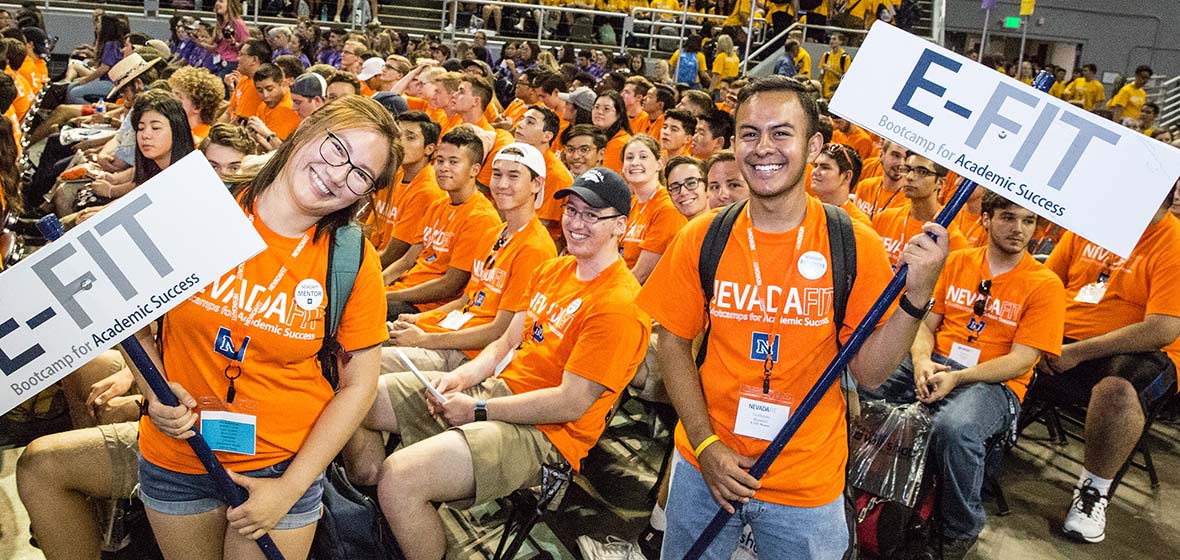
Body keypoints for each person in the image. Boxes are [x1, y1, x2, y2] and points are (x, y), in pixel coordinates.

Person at [637, 75, 949, 559]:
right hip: (705, 471)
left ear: (814, 144)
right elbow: (673, 343)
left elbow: (868, 372)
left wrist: (916, 296)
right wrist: (704, 445)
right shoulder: (703, 237)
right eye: (749, 133)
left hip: (806, 485)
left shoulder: (853, 242)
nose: (764, 148)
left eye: (782, 132)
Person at [133, 95, 398, 560]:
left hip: (283, 466)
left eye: (360, 174)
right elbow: (127, 315)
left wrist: (290, 490)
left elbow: (359, 384)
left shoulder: (351, 257)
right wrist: (153, 389)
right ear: (308, 129)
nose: (337, 174)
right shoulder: (200, 207)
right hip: (176, 456)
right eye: (337, 149)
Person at [365, 166, 650, 560]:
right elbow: (504, 343)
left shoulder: (618, 304)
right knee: (359, 395)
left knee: (401, 478)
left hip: (548, 435)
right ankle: (374, 512)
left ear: (620, 225)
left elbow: (571, 402)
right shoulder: (554, 270)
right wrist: (462, 377)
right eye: (572, 211)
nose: (576, 223)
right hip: (500, 393)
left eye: (591, 215)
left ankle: (398, 508)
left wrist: (478, 409)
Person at [861, 191, 1066, 559]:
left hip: (995, 382)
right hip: (936, 360)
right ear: (985, 219)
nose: (1019, 229)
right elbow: (925, 324)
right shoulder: (956, 262)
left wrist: (959, 377)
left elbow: (1021, 361)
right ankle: (855, 490)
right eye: (1008, 217)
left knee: (955, 428)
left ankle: (960, 528)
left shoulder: (1045, 284)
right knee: (864, 384)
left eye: (1028, 221)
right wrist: (922, 361)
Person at [1026, 187, 1180, 544]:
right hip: (1067, 336)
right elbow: (1046, 282)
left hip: (1139, 351)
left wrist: (1079, 353)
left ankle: (1093, 494)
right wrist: (1040, 335)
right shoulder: (1092, 224)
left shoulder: (1172, 243)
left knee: (1117, 391)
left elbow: (1161, 329)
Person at [384, 127, 502, 318]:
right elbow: (407, 260)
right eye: (440, 161)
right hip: (401, 291)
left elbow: (450, 285)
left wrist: (388, 296)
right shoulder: (438, 205)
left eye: (453, 162)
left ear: (475, 170)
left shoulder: (481, 217)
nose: (443, 167)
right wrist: (378, 283)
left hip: (426, 307)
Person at [368, 111, 446, 267]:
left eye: (410, 137)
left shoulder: (427, 191)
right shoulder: (394, 174)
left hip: (388, 271)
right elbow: (370, 229)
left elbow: (393, 256)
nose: (400, 142)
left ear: (429, 149)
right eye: (398, 136)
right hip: (371, 257)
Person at [872, 153, 970, 268]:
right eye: (907, 169)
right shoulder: (883, 218)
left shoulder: (953, 241)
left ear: (940, 183)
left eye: (922, 172)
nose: (910, 176)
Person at [621, 135, 688, 283]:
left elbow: (642, 274)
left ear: (659, 164)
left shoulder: (667, 208)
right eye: (629, 158)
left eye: (643, 157)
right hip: (625, 284)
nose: (635, 163)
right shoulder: (630, 203)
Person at [514, 104, 574, 241]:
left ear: (547, 136)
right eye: (522, 119)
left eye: (530, 122)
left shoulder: (554, 175)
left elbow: (542, 225)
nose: (520, 124)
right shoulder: (519, 161)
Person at [810, 143, 871, 224]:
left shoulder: (858, 223)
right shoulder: (803, 208)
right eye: (815, 166)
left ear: (847, 176)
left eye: (825, 167)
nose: (814, 172)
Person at [246, 63, 302, 150]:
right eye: (260, 90)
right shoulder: (264, 104)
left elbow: (280, 152)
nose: (265, 95)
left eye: (269, 89)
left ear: (282, 84)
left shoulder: (289, 107)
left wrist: (265, 133)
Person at [853, 140, 909, 220]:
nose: (901, 164)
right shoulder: (865, 186)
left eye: (906, 158)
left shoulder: (910, 199)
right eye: (896, 155)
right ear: (881, 155)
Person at [168, 66, 225, 144]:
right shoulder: (176, 130)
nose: (170, 99)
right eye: (172, 94)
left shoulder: (204, 143)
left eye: (179, 96)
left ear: (197, 107)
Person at [224, 39, 271, 123]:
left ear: (254, 60)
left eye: (241, 54)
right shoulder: (244, 79)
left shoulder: (259, 88)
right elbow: (228, 113)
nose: (237, 58)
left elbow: (240, 122)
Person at [592, 89, 633, 176]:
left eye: (606, 109)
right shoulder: (596, 137)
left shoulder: (621, 143)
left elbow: (605, 178)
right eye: (596, 107)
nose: (599, 112)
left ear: (618, 114)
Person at [213, 0, 249, 77]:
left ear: (230, 5)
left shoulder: (238, 23)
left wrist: (233, 43)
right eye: (217, 1)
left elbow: (246, 46)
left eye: (221, 1)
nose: (217, 3)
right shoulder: (221, 23)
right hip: (220, 62)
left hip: (231, 64)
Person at [666, 155, 708, 220]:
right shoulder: (684, 229)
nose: (683, 192)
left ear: (707, 186)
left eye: (691, 183)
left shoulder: (726, 226)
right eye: (675, 187)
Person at [819, 32, 850, 100]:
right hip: (824, 91)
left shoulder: (845, 57)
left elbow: (845, 78)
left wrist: (831, 70)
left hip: (835, 91)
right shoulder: (826, 55)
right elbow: (821, 72)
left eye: (834, 39)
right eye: (830, 39)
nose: (831, 41)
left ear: (840, 42)